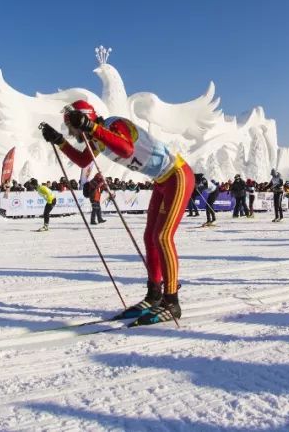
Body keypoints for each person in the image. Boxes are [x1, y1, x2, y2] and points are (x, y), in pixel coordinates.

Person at [41, 99, 195, 325]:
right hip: (162, 181)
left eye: (72, 127)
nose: (73, 132)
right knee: (149, 238)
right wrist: (60, 141)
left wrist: (91, 127)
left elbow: (126, 148)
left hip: (177, 175)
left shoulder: (115, 124)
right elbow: (85, 161)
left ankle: (171, 300)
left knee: (163, 237)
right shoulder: (96, 137)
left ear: (85, 118)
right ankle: (154, 295)